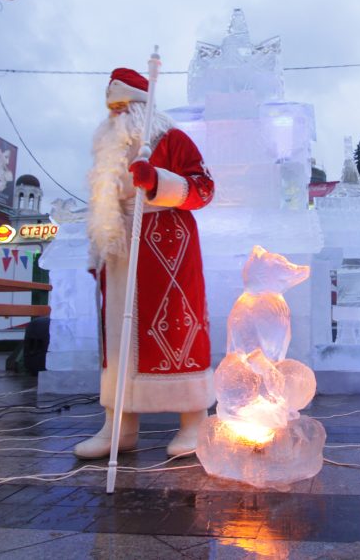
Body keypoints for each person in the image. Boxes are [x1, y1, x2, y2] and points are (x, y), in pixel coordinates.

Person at [74, 68, 216, 459]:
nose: (116, 114)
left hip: (165, 243)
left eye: (124, 106)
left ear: (141, 105)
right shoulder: (107, 149)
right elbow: (101, 204)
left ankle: (194, 420)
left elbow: (203, 189)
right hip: (120, 249)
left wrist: (158, 180)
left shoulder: (171, 139)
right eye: (112, 108)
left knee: (173, 329)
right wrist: (97, 249)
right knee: (118, 342)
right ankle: (118, 425)